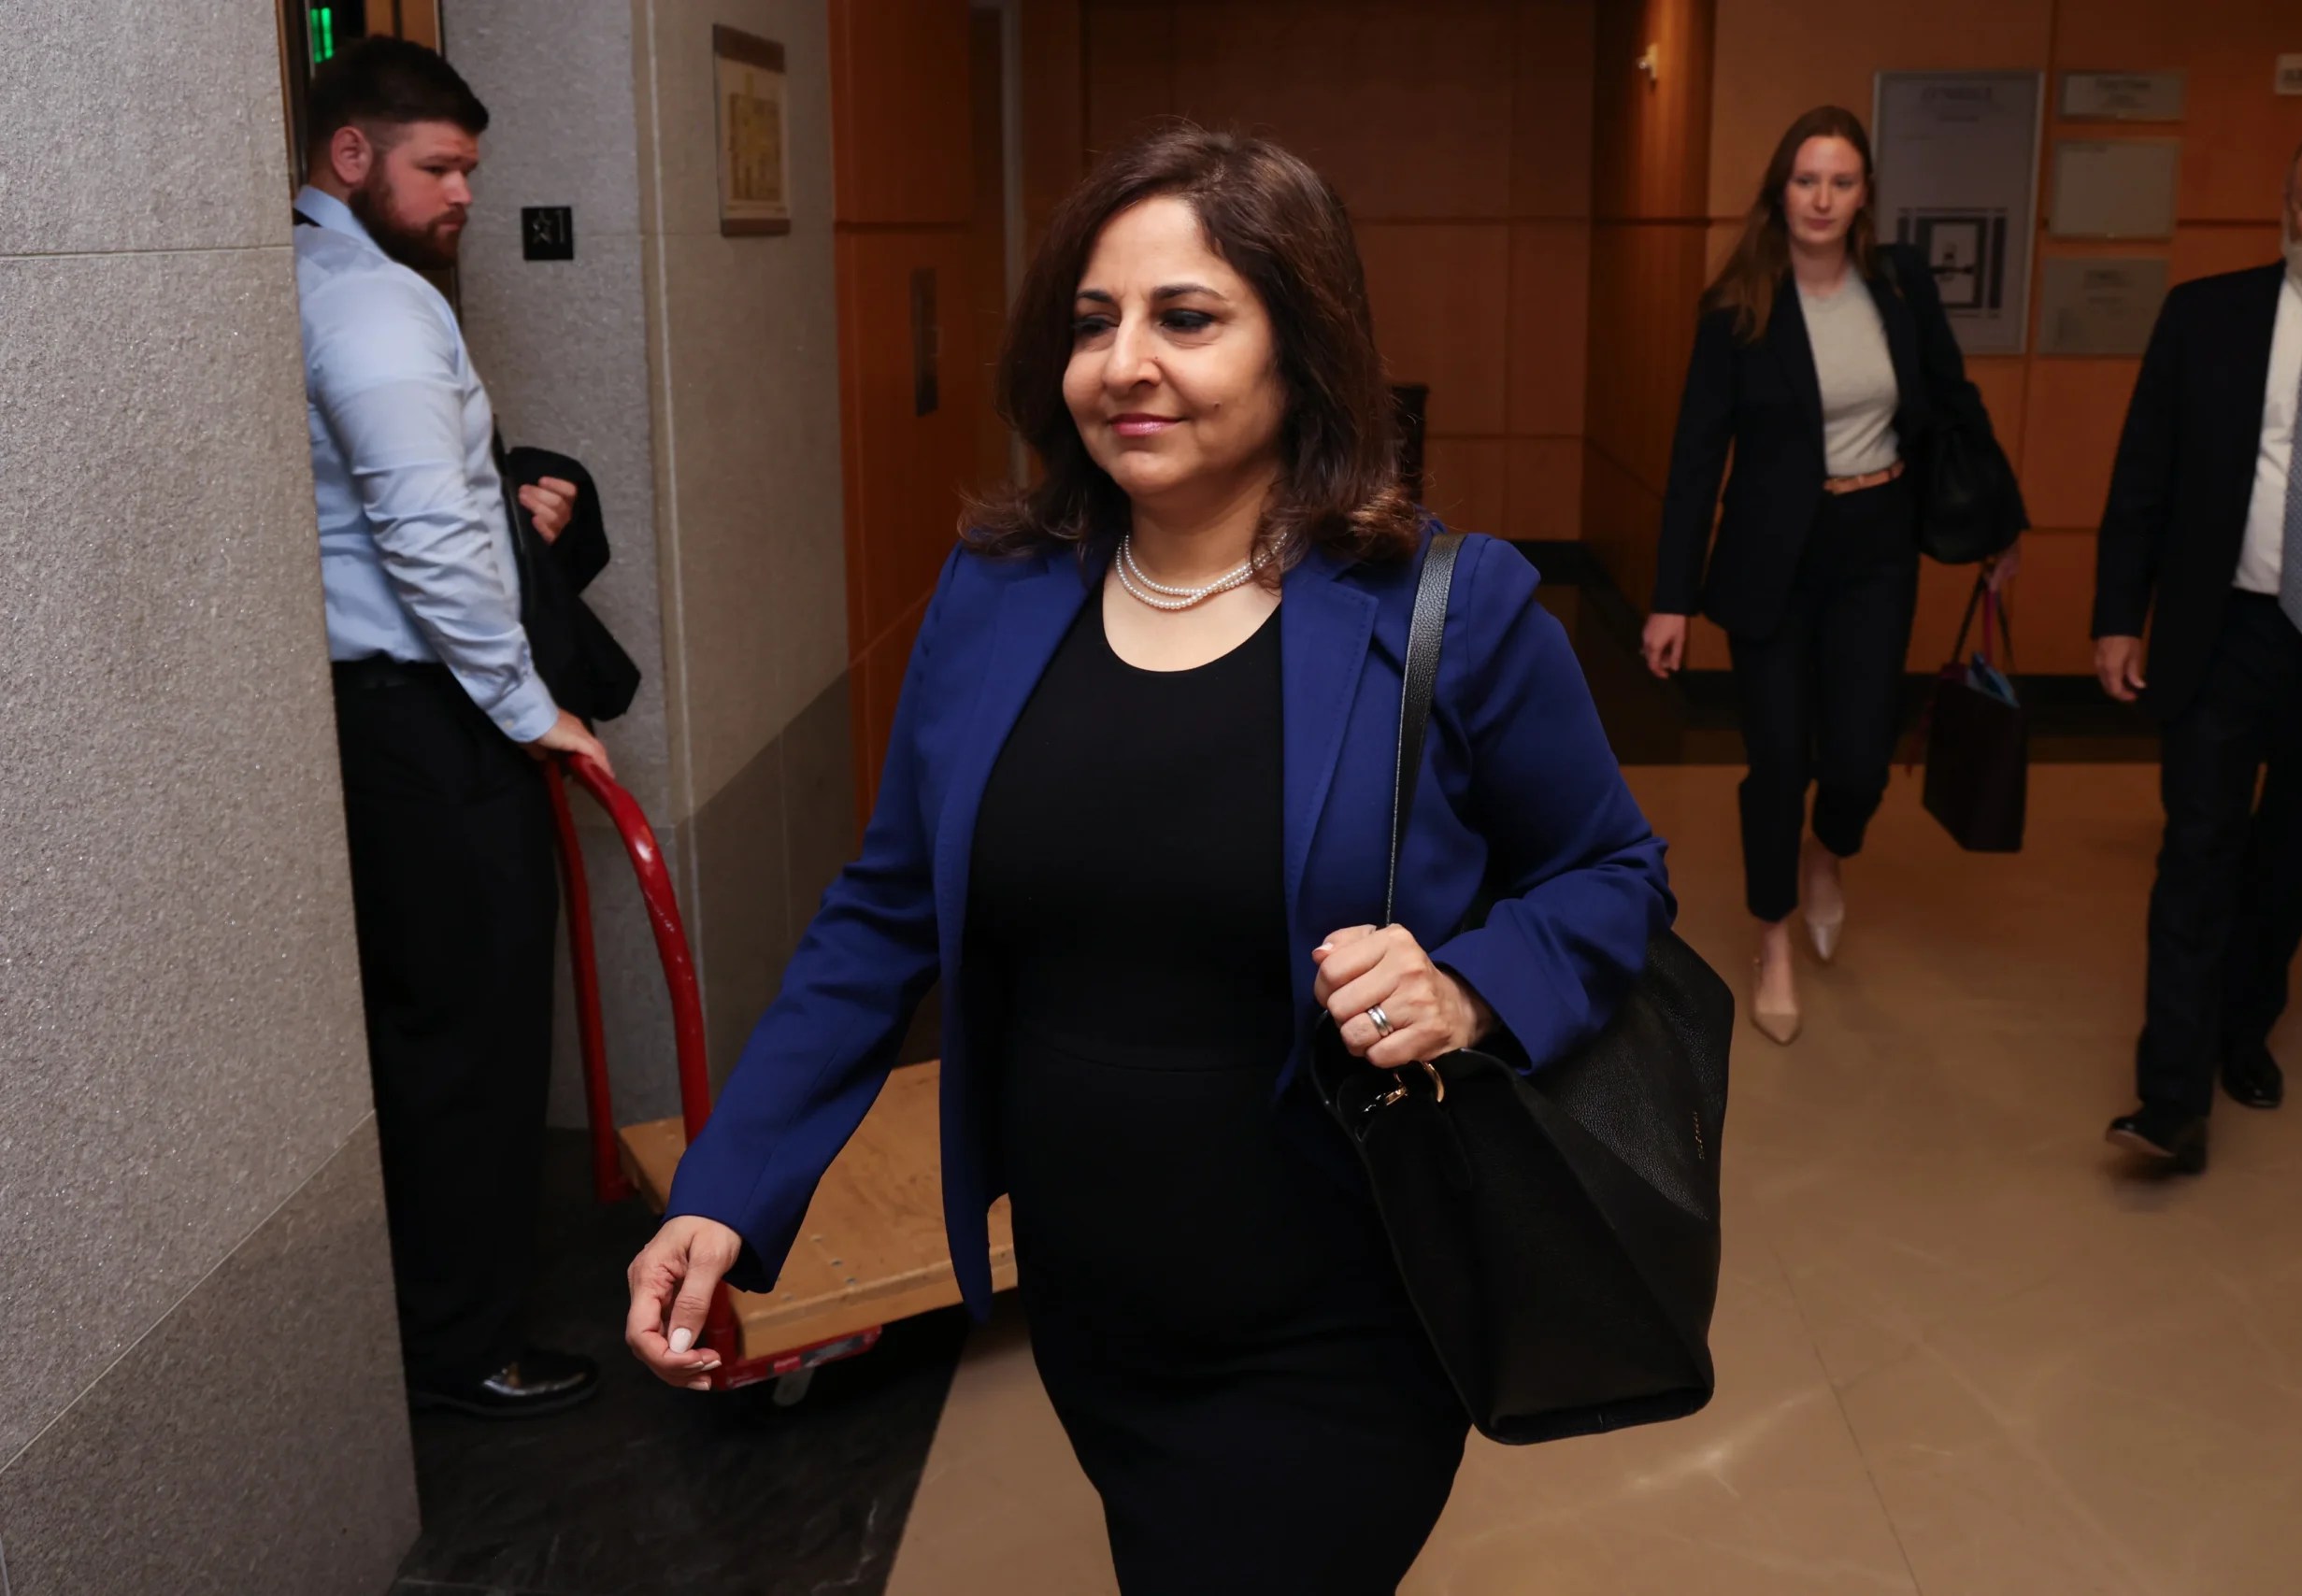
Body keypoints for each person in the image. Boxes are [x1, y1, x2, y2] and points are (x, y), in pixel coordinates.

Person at [624, 126, 1673, 1593]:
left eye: (1186, 317)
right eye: (1091, 322)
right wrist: (727, 1187)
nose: (1125, 362)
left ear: (1303, 348)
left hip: (1347, 1311)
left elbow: (1613, 872)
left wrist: (1470, 986)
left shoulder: (1454, 608)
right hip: (1092, 1297)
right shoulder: (994, 596)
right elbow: (880, 917)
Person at [296, 38, 614, 1416]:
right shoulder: (373, 305)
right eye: (438, 167)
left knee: (438, 1034)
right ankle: (465, 1344)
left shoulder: (315, 280)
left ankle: (444, 1322)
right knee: (473, 1046)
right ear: (350, 155)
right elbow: (424, 539)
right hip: (429, 728)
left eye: (473, 169)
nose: (465, 194)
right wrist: (531, 708)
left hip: (381, 719)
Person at [1641, 106, 2021, 1045]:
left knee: (1855, 760)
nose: (1821, 198)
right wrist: (1669, 597)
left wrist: (1999, 522)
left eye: (1841, 181)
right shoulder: (1738, 309)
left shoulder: (1899, 287)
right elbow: (1696, 459)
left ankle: (1828, 848)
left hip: (1874, 545)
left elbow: (1953, 401)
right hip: (1770, 560)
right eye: (1806, 179)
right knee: (1777, 760)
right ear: (1779, 190)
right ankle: (1771, 937)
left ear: (1864, 196)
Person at [2094, 126, 2302, 1174]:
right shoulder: (2205, 318)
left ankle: (2240, 1027)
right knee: (2197, 853)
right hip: (2223, 631)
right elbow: (2144, 476)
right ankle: (2170, 1096)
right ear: (2286, 204)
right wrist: (2117, 615)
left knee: (2294, 857)